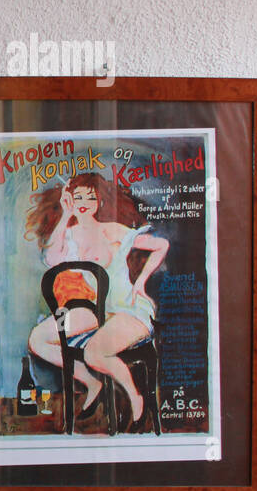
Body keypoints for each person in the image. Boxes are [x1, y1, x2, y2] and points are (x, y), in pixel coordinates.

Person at [24, 171, 169, 432]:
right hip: (96, 310)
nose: (83, 202)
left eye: (89, 197)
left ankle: (135, 397)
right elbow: (51, 261)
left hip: (127, 310)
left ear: (98, 202)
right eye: (76, 197)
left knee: (94, 353)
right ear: (69, 199)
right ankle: (92, 383)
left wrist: (140, 281)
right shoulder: (69, 233)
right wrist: (66, 216)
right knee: (37, 340)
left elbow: (161, 245)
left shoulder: (110, 229)